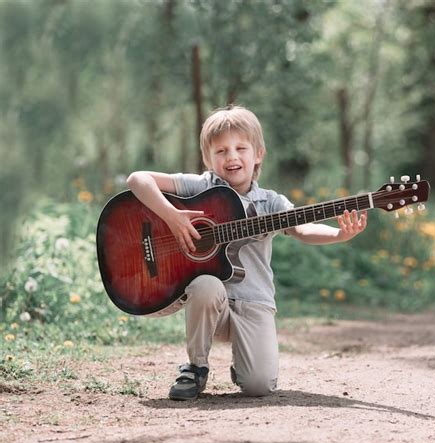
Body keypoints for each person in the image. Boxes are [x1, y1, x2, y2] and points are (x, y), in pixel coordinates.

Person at [127, 105, 367, 401]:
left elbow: (303, 230)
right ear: (208, 158)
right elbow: (138, 179)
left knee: (259, 386)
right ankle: (195, 367)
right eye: (221, 151)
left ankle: (244, 364)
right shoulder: (201, 187)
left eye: (241, 148)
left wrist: (340, 234)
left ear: (259, 154)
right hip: (214, 306)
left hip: (254, 302)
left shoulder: (270, 203)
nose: (232, 157)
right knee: (206, 284)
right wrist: (173, 216)